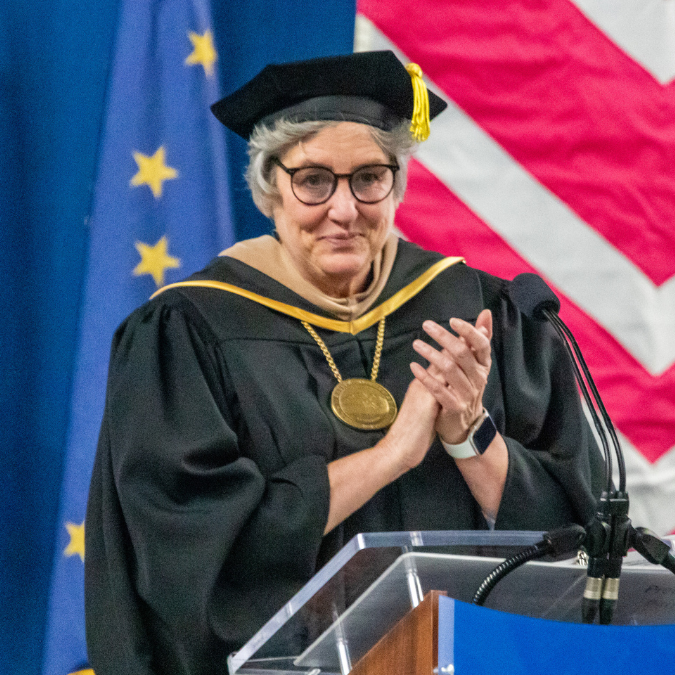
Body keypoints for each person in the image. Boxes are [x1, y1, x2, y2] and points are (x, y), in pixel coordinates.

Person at [85, 51, 604, 675]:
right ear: (270, 187)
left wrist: (471, 440)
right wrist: (392, 458)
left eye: (368, 178)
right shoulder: (190, 330)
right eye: (313, 180)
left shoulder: (482, 312)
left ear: (397, 183)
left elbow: (580, 543)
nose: (344, 208)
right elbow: (189, 553)